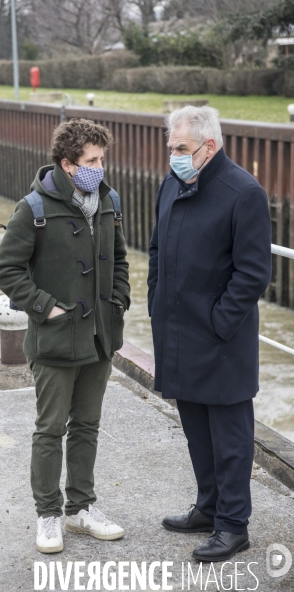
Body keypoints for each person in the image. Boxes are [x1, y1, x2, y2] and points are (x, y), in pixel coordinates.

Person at [0, 118, 130, 554]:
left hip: (99, 338)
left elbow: (121, 260)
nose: (101, 167)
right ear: (69, 164)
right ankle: (48, 515)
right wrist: (44, 307)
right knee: (50, 429)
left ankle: (80, 510)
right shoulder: (32, 208)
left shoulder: (108, 201)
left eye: (103, 159)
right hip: (54, 340)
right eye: (93, 160)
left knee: (87, 426)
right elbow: (6, 270)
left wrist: (119, 300)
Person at [148, 106, 271, 562]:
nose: (174, 157)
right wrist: (156, 304)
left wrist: (220, 322)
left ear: (208, 146)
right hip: (179, 332)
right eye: (172, 149)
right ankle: (209, 506)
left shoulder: (243, 192)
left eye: (181, 149)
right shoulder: (173, 184)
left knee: (231, 438)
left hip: (222, 340)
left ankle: (233, 525)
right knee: (196, 430)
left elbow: (254, 273)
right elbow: (157, 250)